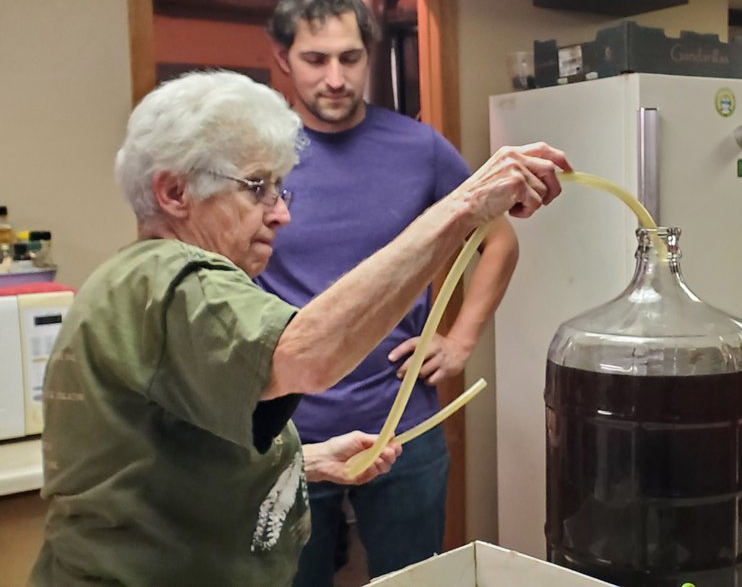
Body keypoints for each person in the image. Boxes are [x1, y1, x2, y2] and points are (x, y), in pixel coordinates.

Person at [31, 71, 568, 586]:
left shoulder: (130, 281)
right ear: (174, 193)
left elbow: (160, 463)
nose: (280, 214)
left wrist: (303, 461)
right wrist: (464, 207)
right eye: (257, 188)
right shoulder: (179, 278)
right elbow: (307, 355)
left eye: (279, 189)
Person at [260, 0, 522, 582]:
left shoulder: (419, 148)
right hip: (285, 432)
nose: (335, 78)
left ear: (369, 55)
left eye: (350, 58)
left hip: (402, 423)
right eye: (315, 59)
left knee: (417, 579)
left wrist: (460, 340)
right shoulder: (258, 155)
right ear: (282, 59)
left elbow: (499, 242)